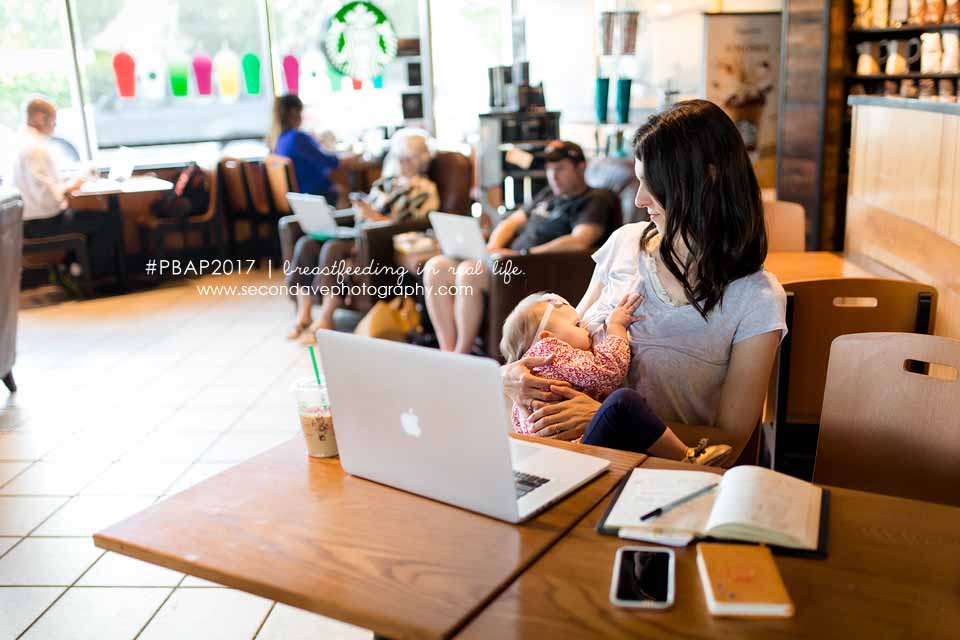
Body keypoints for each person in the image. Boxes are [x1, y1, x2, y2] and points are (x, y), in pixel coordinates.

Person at [501, 100, 787, 463]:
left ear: (708, 177)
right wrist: (508, 376)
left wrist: (601, 415)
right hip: (566, 459)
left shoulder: (756, 298)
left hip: (657, 477)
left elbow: (730, 443)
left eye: (652, 183)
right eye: (638, 181)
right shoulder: (624, 243)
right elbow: (563, 338)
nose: (639, 199)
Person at [424, 140, 618, 354]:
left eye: (560, 169)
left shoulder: (596, 199)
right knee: (436, 267)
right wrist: (493, 247)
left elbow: (580, 240)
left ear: (581, 167)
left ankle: (462, 354)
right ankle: (447, 350)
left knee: (469, 271)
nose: (554, 176)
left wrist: (522, 255)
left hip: (532, 267)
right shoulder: (547, 195)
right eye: (550, 169)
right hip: (507, 260)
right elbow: (511, 223)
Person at [501, 291, 731, 465]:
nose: (588, 331)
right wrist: (616, 328)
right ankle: (687, 457)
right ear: (548, 337)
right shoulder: (551, 352)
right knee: (623, 402)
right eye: (578, 325)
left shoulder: (532, 370)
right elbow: (607, 372)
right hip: (574, 452)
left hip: (552, 460)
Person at [285, 131, 440, 341]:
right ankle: (303, 315)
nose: (403, 163)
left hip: (379, 242)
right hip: (358, 232)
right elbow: (368, 209)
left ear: (421, 160)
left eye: (408, 158)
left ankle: (326, 318)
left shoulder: (424, 190)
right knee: (307, 244)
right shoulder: (387, 183)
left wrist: (372, 217)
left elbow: (413, 227)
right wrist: (360, 211)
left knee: (332, 248)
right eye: (399, 157)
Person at [12, 98, 123, 285]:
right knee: (111, 220)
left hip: (26, 220)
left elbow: (41, 184)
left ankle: (72, 267)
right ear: (40, 118)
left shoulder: (21, 141)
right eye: (54, 121)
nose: (55, 126)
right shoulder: (36, 148)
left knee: (91, 221)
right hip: (41, 222)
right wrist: (71, 187)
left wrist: (68, 182)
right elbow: (46, 196)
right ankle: (80, 275)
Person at [269, 94, 340, 205]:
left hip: (296, 196)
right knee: (344, 189)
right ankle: (344, 220)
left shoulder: (278, 140)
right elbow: (329, 162)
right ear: (294, 112)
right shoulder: (297, 137)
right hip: (312, 195)